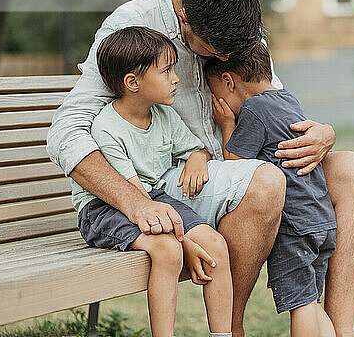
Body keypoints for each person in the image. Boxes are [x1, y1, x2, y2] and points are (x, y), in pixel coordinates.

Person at [47, 0, 354, 337]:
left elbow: (270, 99)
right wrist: (137, 203)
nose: (226, 60)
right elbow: (66, 133)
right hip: (178, 180)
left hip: (235, 159)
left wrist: (323, 133)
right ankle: (231, 329)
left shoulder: (233, 24)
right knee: (264, 181)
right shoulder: (133, 25)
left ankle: (343, 331)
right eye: (217, 53)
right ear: (185, 19)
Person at [73, 26, 237, 337]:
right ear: (133, 83)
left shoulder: (164, 115)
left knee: (215, 244)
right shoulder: (107, 128)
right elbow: (134, 199)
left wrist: (198, 158)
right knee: (168, 251)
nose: (176, 78)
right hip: (105, 207)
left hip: (153, 198)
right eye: (166, 71)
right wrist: (185, 241)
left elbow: (195, 148)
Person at [206, 41, 337, 337]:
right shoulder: (288, 99)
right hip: (321, 218)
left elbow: (235, 165)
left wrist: (227, 123)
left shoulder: (253, 109)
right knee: (313, 302)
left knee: (301, 304)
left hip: (295, 228)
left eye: (216, 92)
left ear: (229, 81)